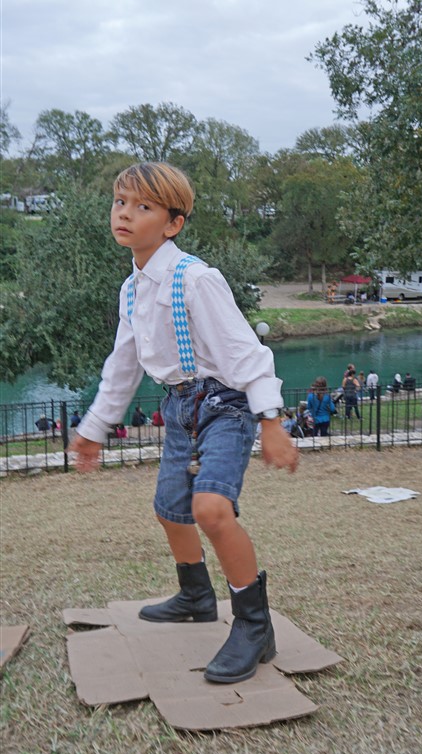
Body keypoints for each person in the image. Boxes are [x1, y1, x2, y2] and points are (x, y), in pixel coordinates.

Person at [69, 161, 298, 686]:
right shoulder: (132, 290)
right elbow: (122, 367)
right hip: (179, 407)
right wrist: (94, 428)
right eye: (120, 202)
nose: (125, 213)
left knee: (211, 508)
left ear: (172, 223)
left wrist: (271, 421)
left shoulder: (195, 279)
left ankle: (253, 625)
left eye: (142, 206)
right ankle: (196, 595)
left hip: (225, 405)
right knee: (171, 511)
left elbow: (248, 353)